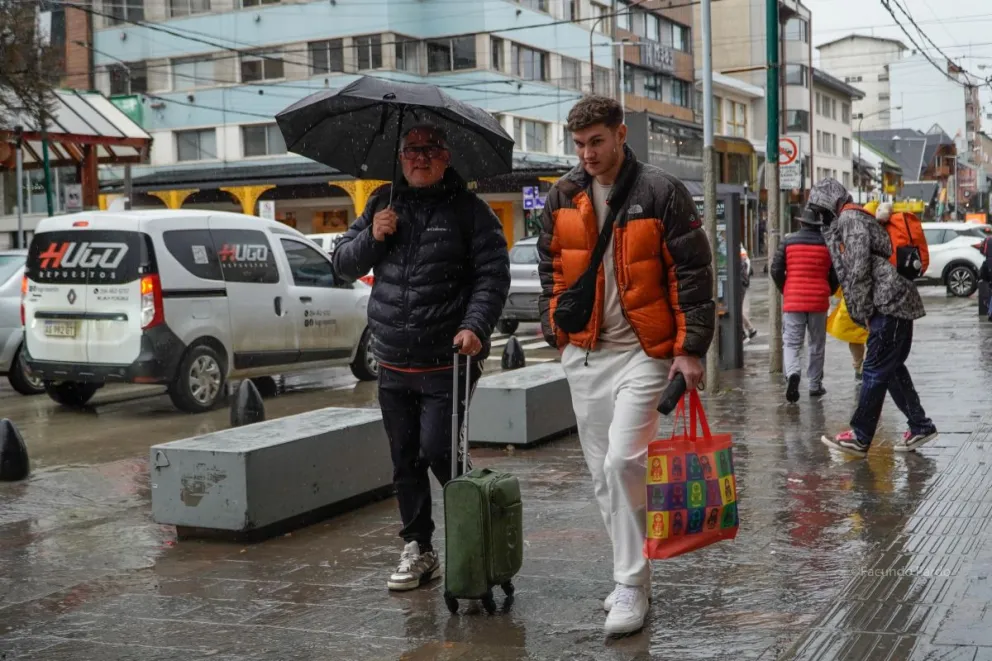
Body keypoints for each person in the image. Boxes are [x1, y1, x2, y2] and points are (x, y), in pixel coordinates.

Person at [537, 95, 715, 635]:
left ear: (620, 135)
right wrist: (557, 332)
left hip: (645, 351)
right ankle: (630, 577)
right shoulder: (562, 195)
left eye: (597, 141)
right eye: (580, 145)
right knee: (601, 476)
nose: (588, 154)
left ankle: (631, 583)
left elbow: (693, 273)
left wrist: (690, 350)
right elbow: (550, 266)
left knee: (621, 462)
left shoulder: (661, 191)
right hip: (586, 353)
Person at [332, 125, 511, 591]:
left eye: (430, 150)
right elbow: (344, 262)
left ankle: (476, 538)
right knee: (404, 458)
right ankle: (419, 548)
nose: (420, 158)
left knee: (439, 452)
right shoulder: (381, 202)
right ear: (401, 155)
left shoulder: (471, 212)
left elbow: (492, 276)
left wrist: (474, 326)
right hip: (392, 359)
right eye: (412, 150)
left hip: (446, 361)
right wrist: (372, 237)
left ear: (446, 156)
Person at [809, 178, 938, 457]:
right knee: (890, 369)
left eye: (820, 209)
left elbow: (857, 270)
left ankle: (860, 435)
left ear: (829, 203)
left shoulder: (849, 219)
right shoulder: (853, 217)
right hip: (896, 300)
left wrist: (863, 310)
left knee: (875, 369)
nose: (820, 217)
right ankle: (920, 425)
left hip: (888, 302)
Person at [770, 208, 839, 402]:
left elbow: (776, 269)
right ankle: (815, 385)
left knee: (792, 342)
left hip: (793, 300)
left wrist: (786, 289)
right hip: (818, 300)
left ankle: (793, 373)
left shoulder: (788, 241)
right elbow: (836, 274)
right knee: (816, 344)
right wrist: (829, 290)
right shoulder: (827, 243)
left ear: (801, 223)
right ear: (818, 225)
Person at [826, 286, 868, 381]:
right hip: (870, 301)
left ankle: (859, 367)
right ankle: (867, 366)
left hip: (850, 304)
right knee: (875, 336)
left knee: (855, 338)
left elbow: (837, 288)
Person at [740, 244, 757, 341]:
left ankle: (746, 331)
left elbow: (746, 265)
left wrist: (743, 280)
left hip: (740, 282)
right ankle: (749, 329)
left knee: (736, 310)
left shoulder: (738, 249)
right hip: (741, 281)